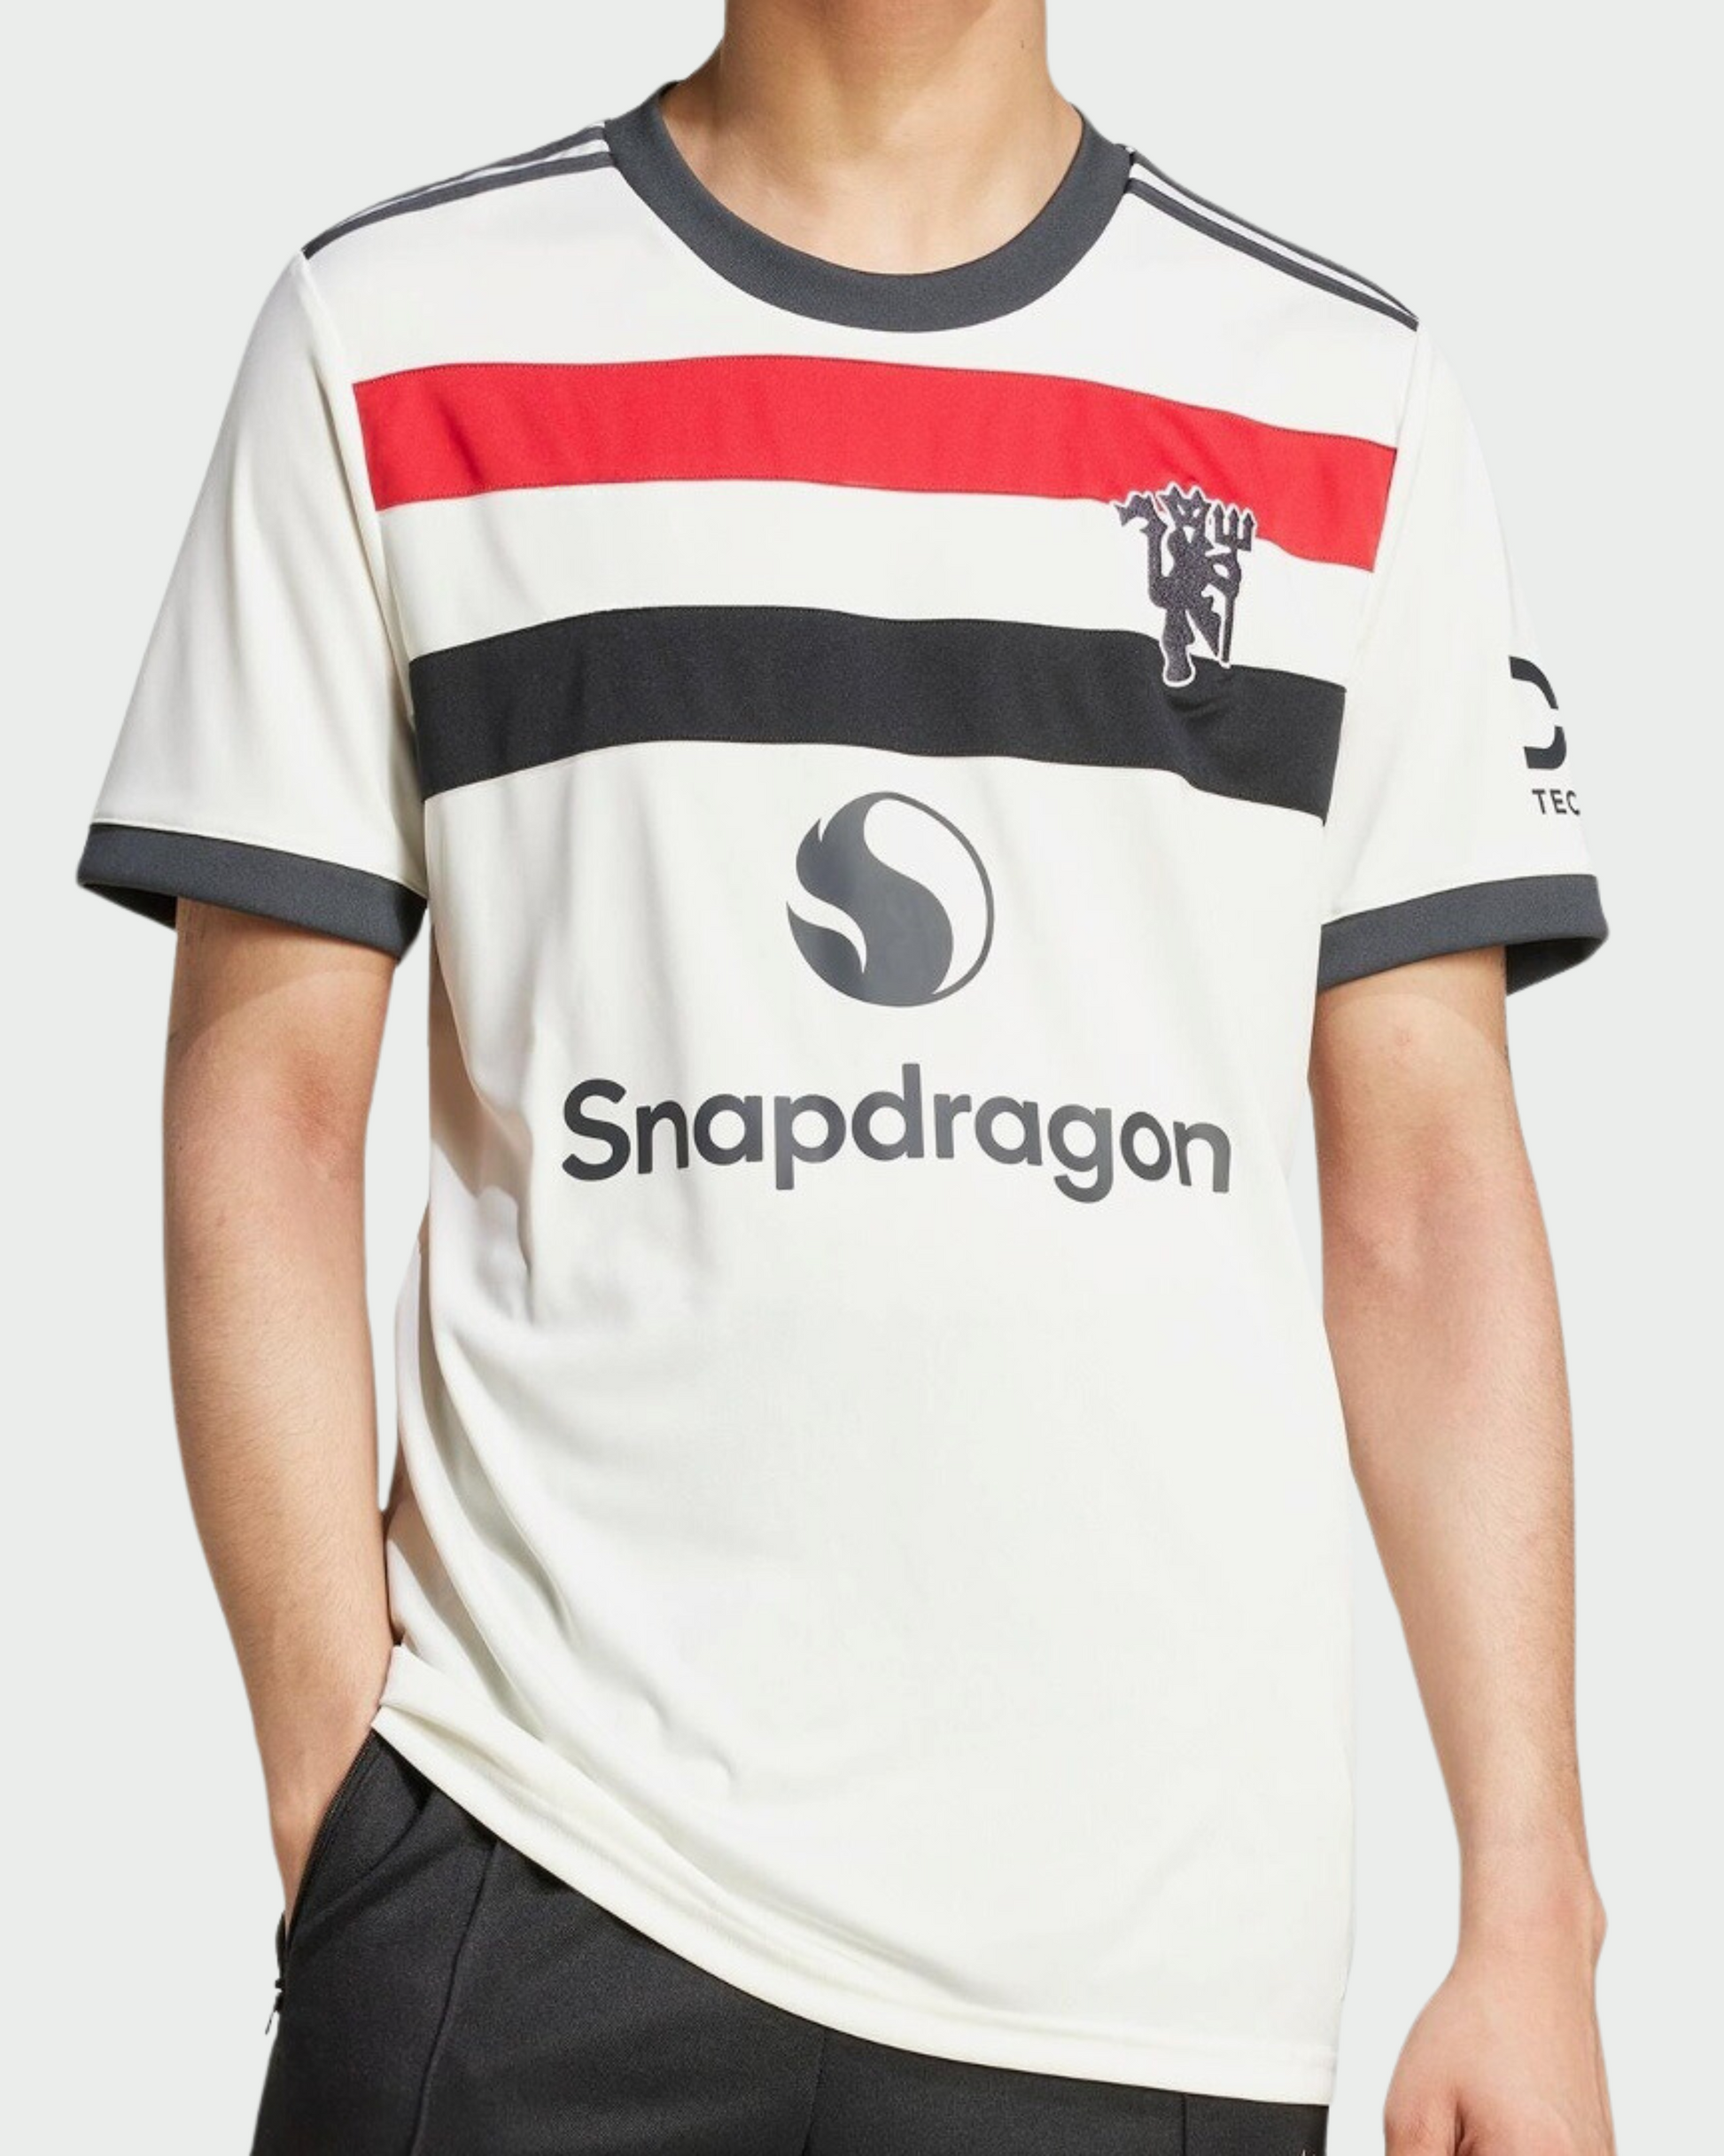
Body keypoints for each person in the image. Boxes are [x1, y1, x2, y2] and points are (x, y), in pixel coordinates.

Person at [77, 3, 1619, 2151]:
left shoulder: (1345, 397)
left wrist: (1530, 1913)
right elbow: (263, 1103)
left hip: (1149, 1979)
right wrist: (339, 1807)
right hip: (534, 1873)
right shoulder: (392, 335)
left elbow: (1431, 1188)